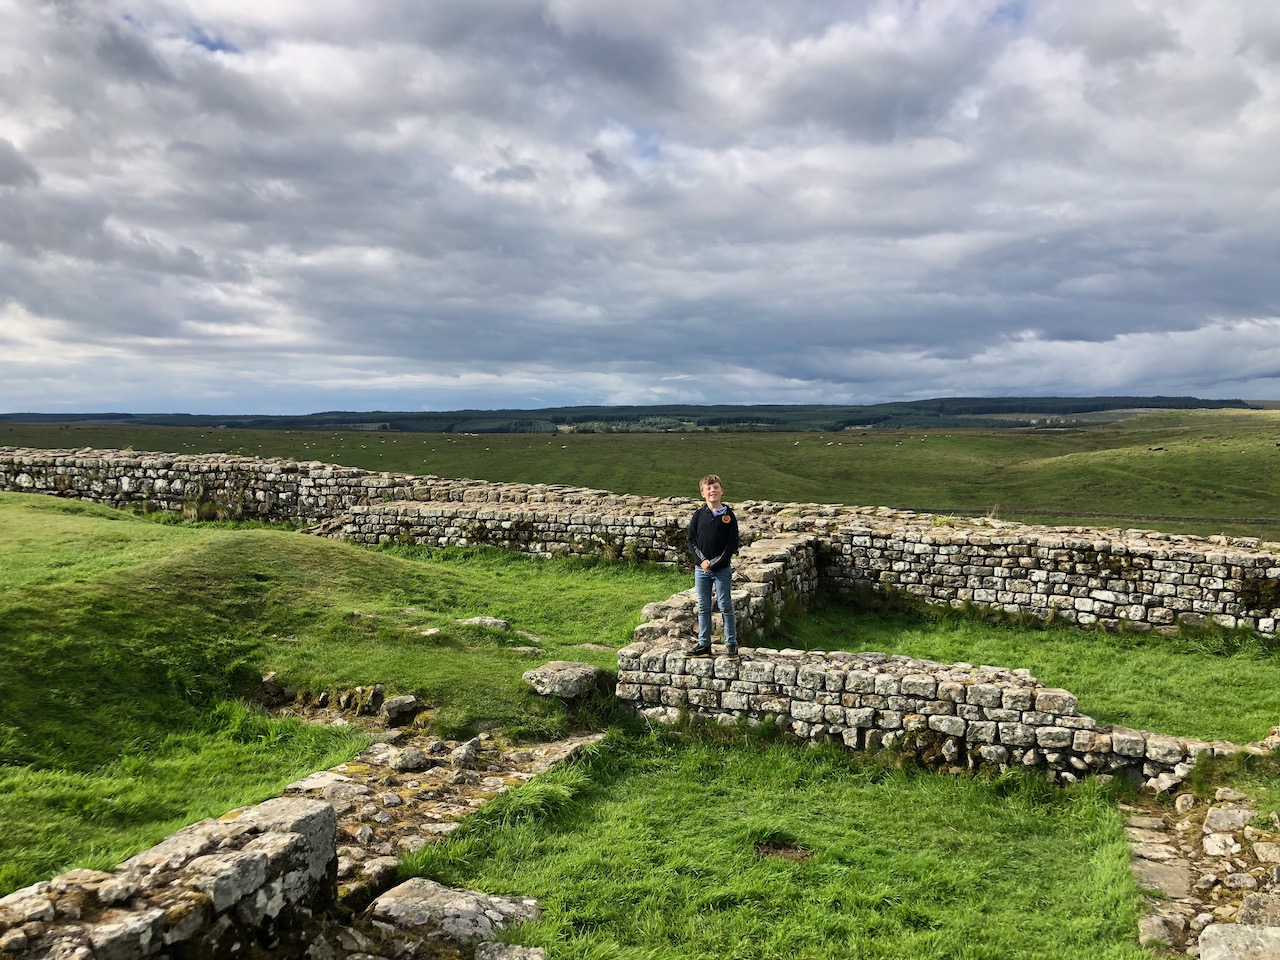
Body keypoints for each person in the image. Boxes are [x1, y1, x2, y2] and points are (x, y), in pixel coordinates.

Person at [685, 473, 739, 659]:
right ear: (703, 493)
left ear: (722, 491)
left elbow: (731, 544)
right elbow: (691, 541)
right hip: (701, 569)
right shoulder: (699, 515)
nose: (712, 491)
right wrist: (702, 561)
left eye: (715, 487)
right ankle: (704, 644)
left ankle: (731, 644)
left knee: (725, 605)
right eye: (708, 488)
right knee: (703, 606)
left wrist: (715, 563)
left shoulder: (728, 515)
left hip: (721, 569)